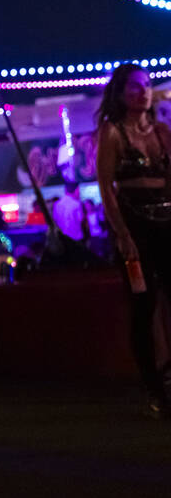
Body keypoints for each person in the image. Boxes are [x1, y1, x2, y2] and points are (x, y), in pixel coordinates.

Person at [95, 63, 171, 418]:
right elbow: (106, 187)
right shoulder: (111, 133)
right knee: (143, 306)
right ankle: (153, 386)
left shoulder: (162, 132)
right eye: (135, 87)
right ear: (122, 94)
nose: (143, 92)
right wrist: (123, 234)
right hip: (134, 228)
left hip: (166, 224)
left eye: (147, 85)